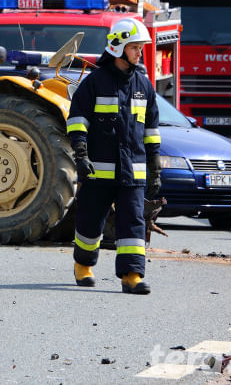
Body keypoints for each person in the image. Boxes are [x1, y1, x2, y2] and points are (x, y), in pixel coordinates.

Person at [66, 18, 161, 295]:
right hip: (98, 171)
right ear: (118, 47)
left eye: (140, 47)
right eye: (135, 47)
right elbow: (77, 122)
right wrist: (81, 155)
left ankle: (132, 276)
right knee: (89, 222)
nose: (139, 52)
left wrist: (155, 168)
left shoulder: (144, 86)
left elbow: (152, 132)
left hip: (133, 173)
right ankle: (82, 265)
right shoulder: (94, 83)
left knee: (133, 222)